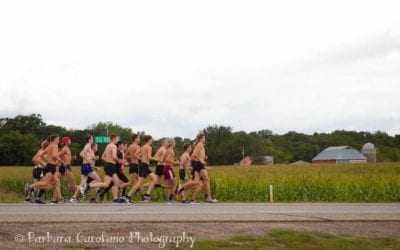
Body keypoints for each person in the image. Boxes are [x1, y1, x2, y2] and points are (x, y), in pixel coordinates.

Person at [177, 133, 218, 203]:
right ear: (202, 138)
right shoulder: (199, 144)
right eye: (204, 138)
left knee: (196, 181)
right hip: (199, 164)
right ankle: (208, 197)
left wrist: (202, 158)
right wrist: (201, 160)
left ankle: (181, 187)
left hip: (198, 164)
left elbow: (194, 156)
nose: (205, 139)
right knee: (207, 180)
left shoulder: (200, 145)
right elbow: (194, 154)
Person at [25, 134, 63, 204]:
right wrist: (59, 159)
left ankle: (60, 198)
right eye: (58, 139)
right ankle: (30, 187)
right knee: (46, 183)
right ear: (54, 139)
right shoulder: (55, 146)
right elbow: (54, 155)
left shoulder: (48, 147)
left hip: (50, 166)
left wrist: (48, 160)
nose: (59, 141)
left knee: (57, 181)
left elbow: (41, 155)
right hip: (51, 166)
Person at [124, 135, 160, 202]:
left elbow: (136, 155)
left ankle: (146, 195)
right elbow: (149, 157)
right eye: (151, 140)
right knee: (140, 183)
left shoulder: (142, 147)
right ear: (149, 140)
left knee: (154, 179)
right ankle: (128, 195)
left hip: (143, 165)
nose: (152, 141)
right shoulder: (149, 147)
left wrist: (142, 158)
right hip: (144, 166)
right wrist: (157, 159)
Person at [90, 134, 122, 204]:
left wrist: (108, 161)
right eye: (117, 139)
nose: (118, 140)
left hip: (108, 165)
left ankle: (115, 199)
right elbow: (114, 156)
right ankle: (90, 185)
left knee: (117, 182)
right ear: (113, 138)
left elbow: (103, 156)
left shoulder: (108, 145)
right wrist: (118, 161)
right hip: (110, 166)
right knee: (106, 184)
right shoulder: (113, 146)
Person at [70, 134, 101, 204]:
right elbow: (81, 154)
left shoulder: (89, 146)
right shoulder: (87, 146)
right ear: (89, 140)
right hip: (86, 166)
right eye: (92, 138)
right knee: (98, 180)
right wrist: (88, 160)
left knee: (82, 184)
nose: (93, 140)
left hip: (85, 166)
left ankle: (73, 198)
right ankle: (87, 186)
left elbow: (87, 155)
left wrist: (93, 158)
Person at [162, 138, 179, 204]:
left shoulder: (166, 150)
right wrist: (176, 162)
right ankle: (170, 199)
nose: (175, 143)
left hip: (166, 168)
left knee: (170, 184)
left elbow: (163, 159)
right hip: (168, 168)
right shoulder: (171, 150)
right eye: (175, 142)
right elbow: (168, 160)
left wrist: (172, 161)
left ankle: (169, 199)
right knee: (175, 183)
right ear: (172, 143)